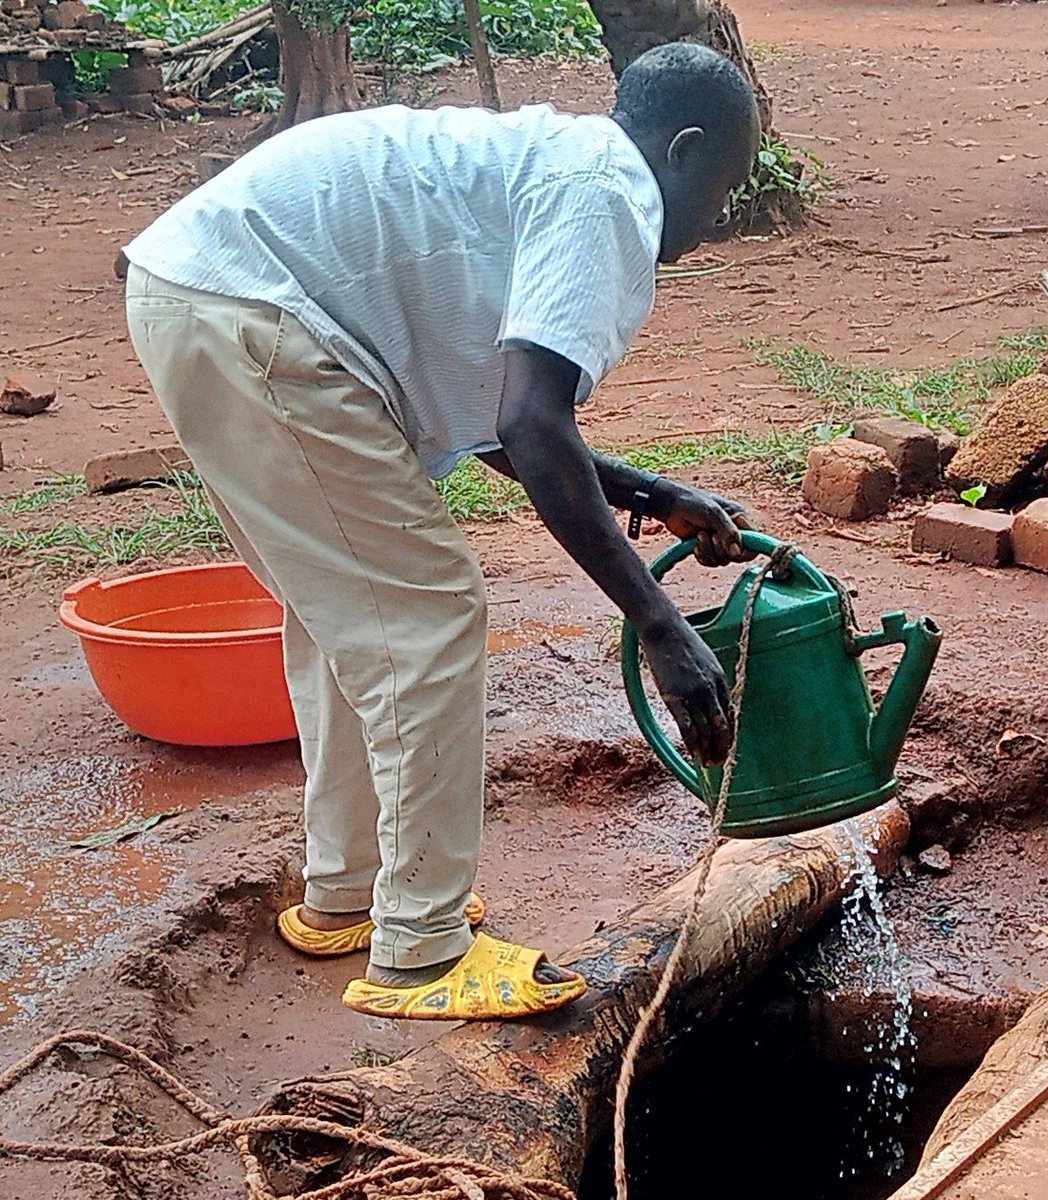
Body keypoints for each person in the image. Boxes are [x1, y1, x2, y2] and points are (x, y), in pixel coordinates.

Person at [122, 40, 762, 1021]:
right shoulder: (610, 195)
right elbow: (531, 427)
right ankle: (421, 951)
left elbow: (501, 421)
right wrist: (660, 621)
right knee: (428, 618)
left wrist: (650, 494)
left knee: (353, 619)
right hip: (258, 310)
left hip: (207, 292)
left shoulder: (558, 167)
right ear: (681, 149)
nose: (712, 222)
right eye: (721, 189)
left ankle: (347, 893)